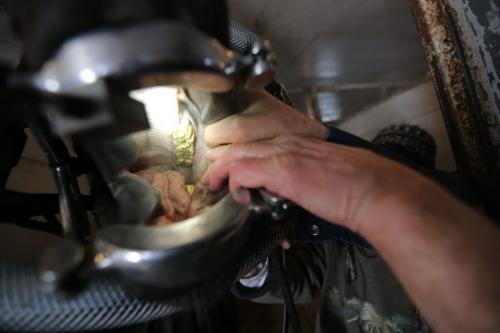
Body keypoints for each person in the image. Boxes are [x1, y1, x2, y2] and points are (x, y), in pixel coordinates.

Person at [201, 88, 500, 333]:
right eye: (380, 162)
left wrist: (364, 193)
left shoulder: (453, 239)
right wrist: (253, 261)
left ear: (420, 181)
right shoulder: (335, 240)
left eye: (396, 173)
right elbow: (297, 282)